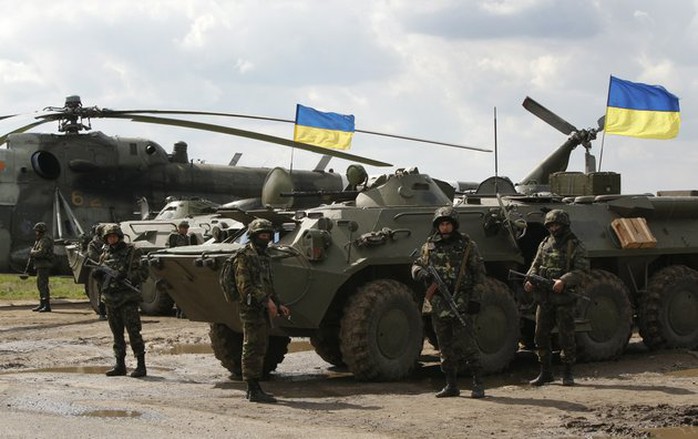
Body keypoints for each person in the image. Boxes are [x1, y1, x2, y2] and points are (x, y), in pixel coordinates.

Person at [411, 206, 486, 399]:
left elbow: (479, 274)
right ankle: (451, 385)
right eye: (442, 224)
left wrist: (475, 299)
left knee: (468, 344)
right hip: (439, 303)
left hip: (461, 300)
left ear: (454, 225)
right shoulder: (429, 246)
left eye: (448, 224)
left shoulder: (467, 245)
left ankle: (478, 383)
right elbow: (417, 265)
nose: (444, 227)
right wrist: (420, 273)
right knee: (444, 346)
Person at [524, 209, 589, 387]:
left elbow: (581, 271)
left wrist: (563, 281)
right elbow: (535, 265)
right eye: (551, 225)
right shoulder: (545, 243)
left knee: (566, 337)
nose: (554, 228)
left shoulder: (575, 245)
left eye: (557, 225)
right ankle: (546, 372)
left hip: (563, 300)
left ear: (564, 225)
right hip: (544, 299)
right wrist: (530, 279)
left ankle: (568, 373)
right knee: (540, 336)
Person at [229, 218, 290, 403]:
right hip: (250, 307)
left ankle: (255, 387)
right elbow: (244, 286)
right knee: (252, 347)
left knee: (260, 346)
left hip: (262, 307)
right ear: (253, 236)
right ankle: (252, 388)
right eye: (261, 234)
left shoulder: (264, 256)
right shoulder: (244, 256)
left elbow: (268, 284)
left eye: (267, 235)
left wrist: (277, 303)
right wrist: (265, 301)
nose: (265, 237)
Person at [95, 223, 148, 378]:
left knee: (133, 333)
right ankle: (120, 365)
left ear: (119, 236)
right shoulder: (104, 254)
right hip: (111, 300)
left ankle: (141, 365)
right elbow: (101, 275)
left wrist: (126, 276)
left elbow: (143, 273)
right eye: (108, 237)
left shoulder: (132, 252)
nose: (111, 239)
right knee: (117, 334)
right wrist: (98, 275)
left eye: (114, 236)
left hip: (127, 299)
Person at [29, 222, 54, 313]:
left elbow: (42, 252)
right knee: (40, 285)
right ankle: (42, 304)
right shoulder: (40, 239)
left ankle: (46, 305)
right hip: (40, 265)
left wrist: (32, 252)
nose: (36, 232)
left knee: (43, 285)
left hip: (44, 265)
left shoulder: (45, 240)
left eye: (37, 231)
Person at [86, 224, 107, 320]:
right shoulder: (93, 244)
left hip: (110, 269)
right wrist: (104, 258)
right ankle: (102, 313)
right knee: (101, 291)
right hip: (100, 270)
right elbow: (92, 256)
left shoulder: (108, 241)